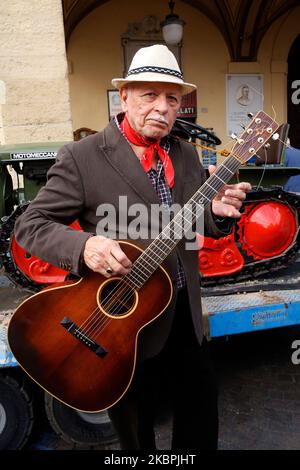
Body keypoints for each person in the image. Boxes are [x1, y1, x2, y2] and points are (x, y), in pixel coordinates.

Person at [14, 44, 251, 450]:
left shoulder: (187, 155)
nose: (161, 107)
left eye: (172, 98)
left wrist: (218, 213)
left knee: (199, 417)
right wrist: (85, 246)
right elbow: (30, 226)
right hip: (118, 325)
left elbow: (192, 225)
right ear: (123, 97)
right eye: (149, 95)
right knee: (136, 430)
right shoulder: (82, 157)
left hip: (181, 313)